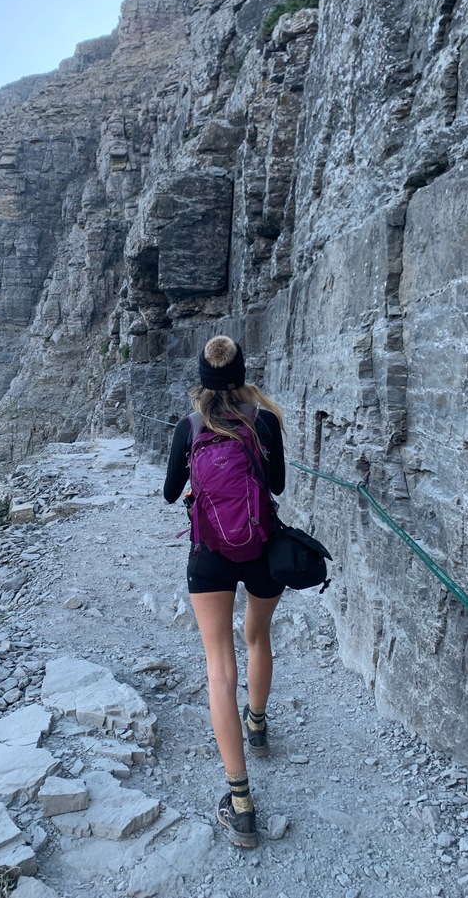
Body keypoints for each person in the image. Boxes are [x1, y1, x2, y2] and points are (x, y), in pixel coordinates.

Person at [163, 335, 286, 848]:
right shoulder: (263, 421)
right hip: (262, 550)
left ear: (203, 379)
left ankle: (240, 805)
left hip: (209, 556)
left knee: (219, 666)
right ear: (242, 374)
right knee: (258, 637)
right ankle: (257, 727)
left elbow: (171, 493)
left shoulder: (189, 427)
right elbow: (276, 485)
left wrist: (198, 485)